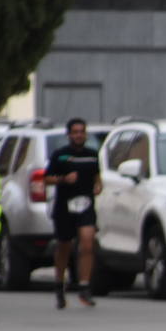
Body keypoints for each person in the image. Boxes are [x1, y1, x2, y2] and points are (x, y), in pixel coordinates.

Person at [44, 118, 102, 309]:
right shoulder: (60, 155)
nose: (79, 135)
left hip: (85, 205)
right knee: (64, 246)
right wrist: (63, 179)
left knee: (87, 242)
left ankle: (84, 286)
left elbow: (97, 177)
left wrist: (98, 186)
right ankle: (59, 284)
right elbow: (47, 178)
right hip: (64, 206)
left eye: (82, 132)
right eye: (75, 132)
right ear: (69, 134)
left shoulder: (93, 155)